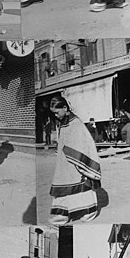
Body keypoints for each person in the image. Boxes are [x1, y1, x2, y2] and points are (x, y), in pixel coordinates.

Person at [49, 96, 101, 225]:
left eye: (57, 112)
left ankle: (89, 213)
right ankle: (61, 216)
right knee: (62, 187)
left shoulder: (76, 123)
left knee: (82, 187)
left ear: (65, 108)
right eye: (53, 113)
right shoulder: (64, 123)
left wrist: (77, 160)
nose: (56, 116)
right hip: (64, 162)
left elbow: (83, 144)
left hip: (76, 162)